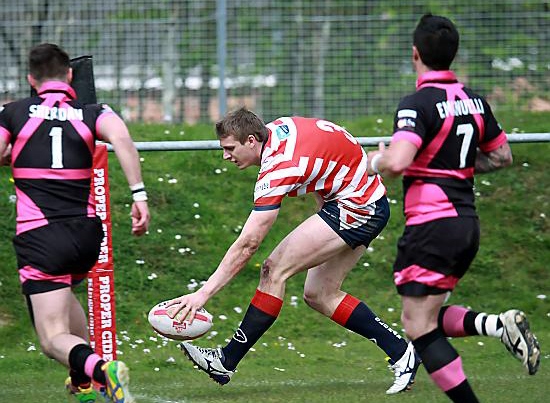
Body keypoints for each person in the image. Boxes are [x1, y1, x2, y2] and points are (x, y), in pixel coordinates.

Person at [167, 107, 421, 394]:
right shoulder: (278, 129)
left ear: (251, 140)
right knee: (320, 295)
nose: (225, 156)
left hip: (356, 207)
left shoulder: (279, 167)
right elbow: (321, 157)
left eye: (229, 148)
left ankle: (226, 361)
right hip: (364, 200)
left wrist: (203, 294)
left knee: (273, 270)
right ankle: (402, 353)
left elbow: (248, 243)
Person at [365, 14, 540, 402]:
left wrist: (374, 161)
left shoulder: (417, 103)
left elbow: (397, 162)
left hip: (433, 224)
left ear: (415, 54)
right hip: (465, 223)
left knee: (418, 326)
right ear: (453, 53)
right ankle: (498, 325)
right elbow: (502, 156)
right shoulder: (474, 99)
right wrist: (454, 166)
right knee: (426, 316)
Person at [0, 43, 150, 403]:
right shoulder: (92, 111)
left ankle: (102, 371)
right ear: (69, 76)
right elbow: (123, 140)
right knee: (65, 296)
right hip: (85, 235)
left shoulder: (13, 113)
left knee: (52, 337)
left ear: (30, 79)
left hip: (41, 236)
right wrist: (139, 195)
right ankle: (81, 381)